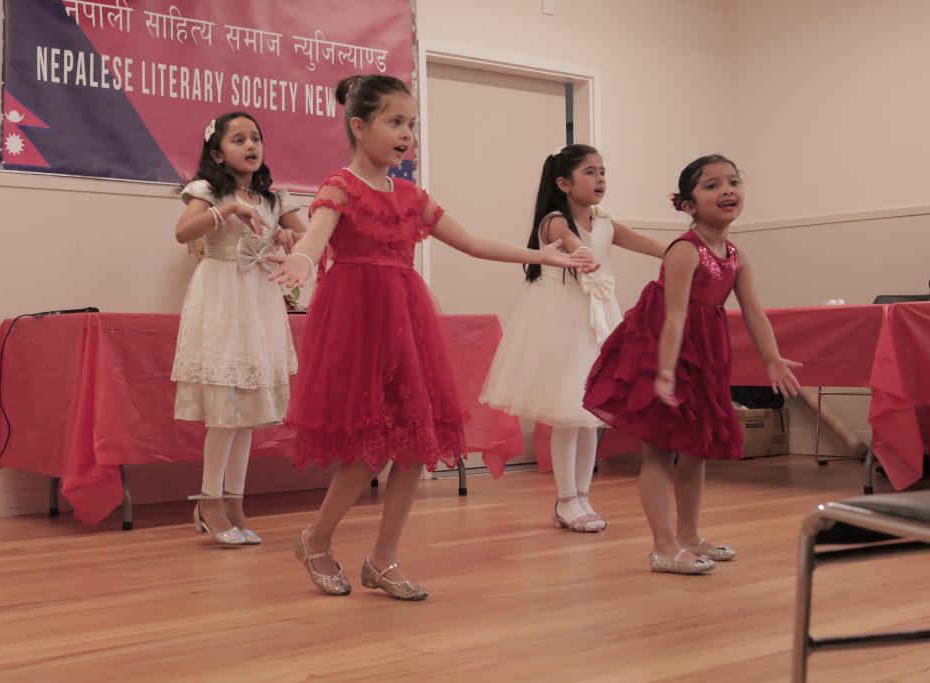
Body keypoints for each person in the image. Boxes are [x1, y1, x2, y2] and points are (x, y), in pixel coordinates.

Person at [267, 74, 597, 599]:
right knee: (368, 449)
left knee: (416, 443)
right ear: (360, 126)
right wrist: (303, 260)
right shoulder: (339, 186)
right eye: (395, 122)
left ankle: (383, 560)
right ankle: (316, 539)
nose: (407, 134)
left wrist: (544, 255)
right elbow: (316, 235)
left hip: (406, 323)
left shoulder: (411, 195)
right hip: (357, 327)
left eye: (412, 124)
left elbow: (472, 242)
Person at [584, 154, 802, 573]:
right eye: (712, 185)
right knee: (660, 449)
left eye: (733, 182)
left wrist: (772, 359)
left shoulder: (735, 254)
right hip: (662, 348)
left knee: (695, 448)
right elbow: (674, 316)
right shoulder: (685, 250)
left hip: (704, 352)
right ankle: (663, 546)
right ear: (688, 205)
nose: (727, 190)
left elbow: (753, 312)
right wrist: (665, 370)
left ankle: (688, 534)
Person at [481, 144, 666, 533]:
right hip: (563, 320)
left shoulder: (606, 222)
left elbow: (649, 245)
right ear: (564, 183)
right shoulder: (554, 221)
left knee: (591, 415)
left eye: (603, 172)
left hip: (598, 318)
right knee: (568, 411)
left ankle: (582, 496)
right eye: (590, 172)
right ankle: (566, 498)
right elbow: (572, 243)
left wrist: (686, 253)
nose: (600, 179)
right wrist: (585, 254)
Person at [172, 112, 306, 545]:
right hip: (222, 296)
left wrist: (287, 239)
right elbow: (183, 232)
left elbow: (308, 240)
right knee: (225, 407)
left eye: (256, 138)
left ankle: (234, 500)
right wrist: (227, 209)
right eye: (239, 139)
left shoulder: (275, 198)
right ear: (217, 154)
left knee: (247, 411)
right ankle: (209, 499)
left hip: (258, 299)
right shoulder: (208, 190)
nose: (251, 145)